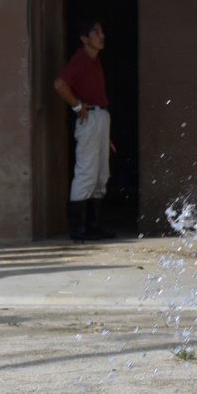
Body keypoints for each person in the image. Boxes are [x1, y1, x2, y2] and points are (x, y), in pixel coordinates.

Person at [53, 20, 114, 241]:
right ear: (84, 38)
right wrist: (77, 105)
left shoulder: (95, 61)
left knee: (101, 174)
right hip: (90, 118)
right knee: (86, 172)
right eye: (96, 32)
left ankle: (93, 227)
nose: (102, 35)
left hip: (100, 117)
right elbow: (60, 84)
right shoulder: (80, 59)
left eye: (102, 31)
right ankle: (77, 231)